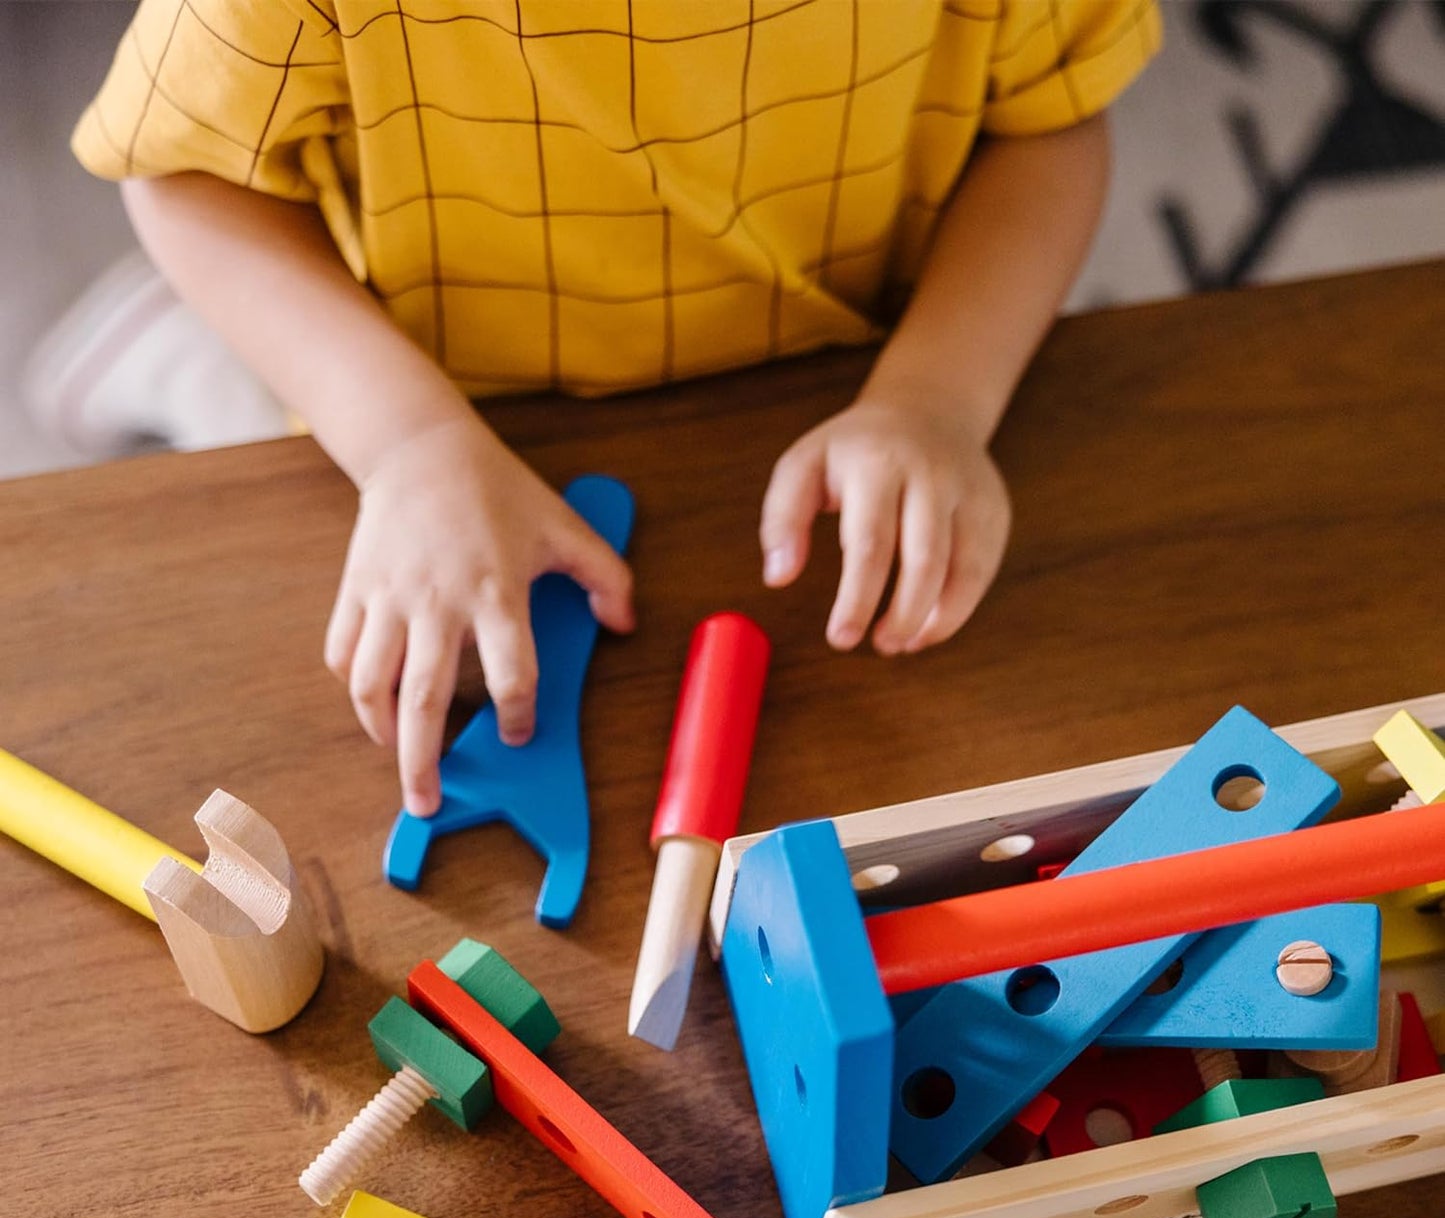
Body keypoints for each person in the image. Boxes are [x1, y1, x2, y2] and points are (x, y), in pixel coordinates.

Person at [69, 0, 1160, 818]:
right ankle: (172, 357)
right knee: (253, 418)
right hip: (445, 400)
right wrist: (407, 444)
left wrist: (935, 395)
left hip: (839, 371)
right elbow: (184, 181)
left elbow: (1051, 124)